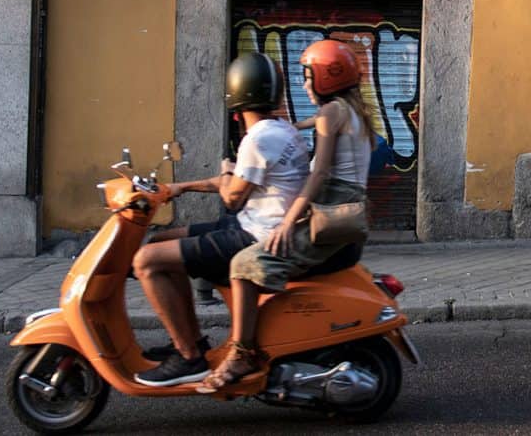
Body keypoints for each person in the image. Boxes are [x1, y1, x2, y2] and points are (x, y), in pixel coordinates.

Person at [197, 38, 374, 392]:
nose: (304, 84)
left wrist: (288, 220)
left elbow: (320, 173)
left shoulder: (332, 113)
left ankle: (242, 352)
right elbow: (313, 124)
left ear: (327, 77)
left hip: (329, 210)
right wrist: (290, 128)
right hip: (344, 210)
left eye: (309, 77)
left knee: (244, 264)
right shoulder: (351, 112)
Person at [131, 52, 310, 387]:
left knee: (147, 260)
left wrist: (226, 174)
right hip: (252, 224)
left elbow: (231, 195)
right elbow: (236, 181)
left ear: (235, 93)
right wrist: (178, 188)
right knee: (159, 241)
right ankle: (188, 339)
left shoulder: (259, 138)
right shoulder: (278, 130)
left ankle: (188, 357)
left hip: (258, 237)